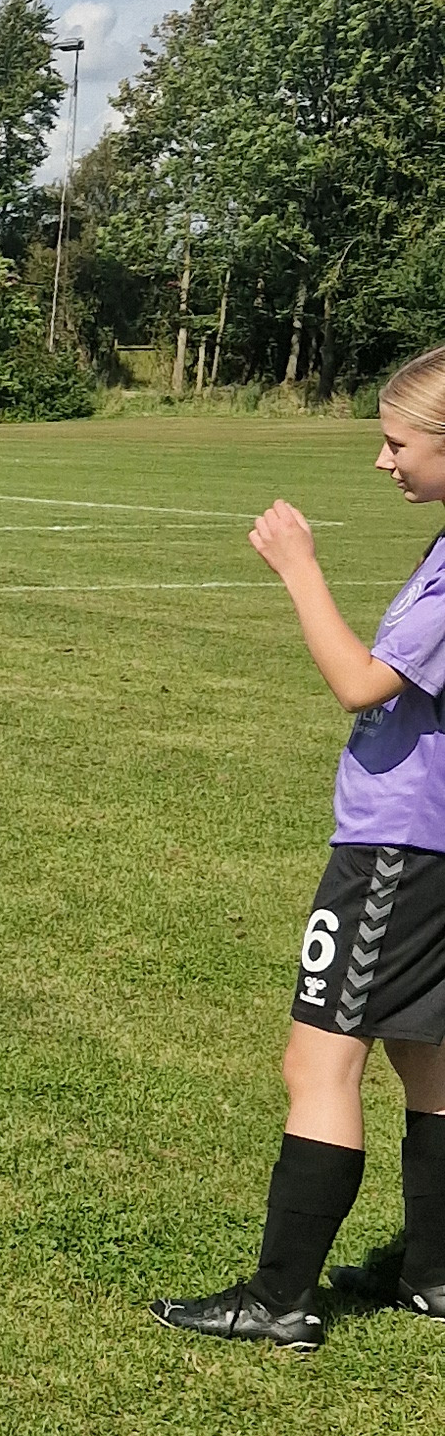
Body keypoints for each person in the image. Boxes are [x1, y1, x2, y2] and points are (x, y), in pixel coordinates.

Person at [155, 352, 445, 1351]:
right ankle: (434, 1272)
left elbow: (366, 683)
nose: (382, 459)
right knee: (427, 1053)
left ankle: (279, 1298)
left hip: (397, 851)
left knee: (318, 1060)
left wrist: (300, 567)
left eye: (399, 442)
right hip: (427, 846)